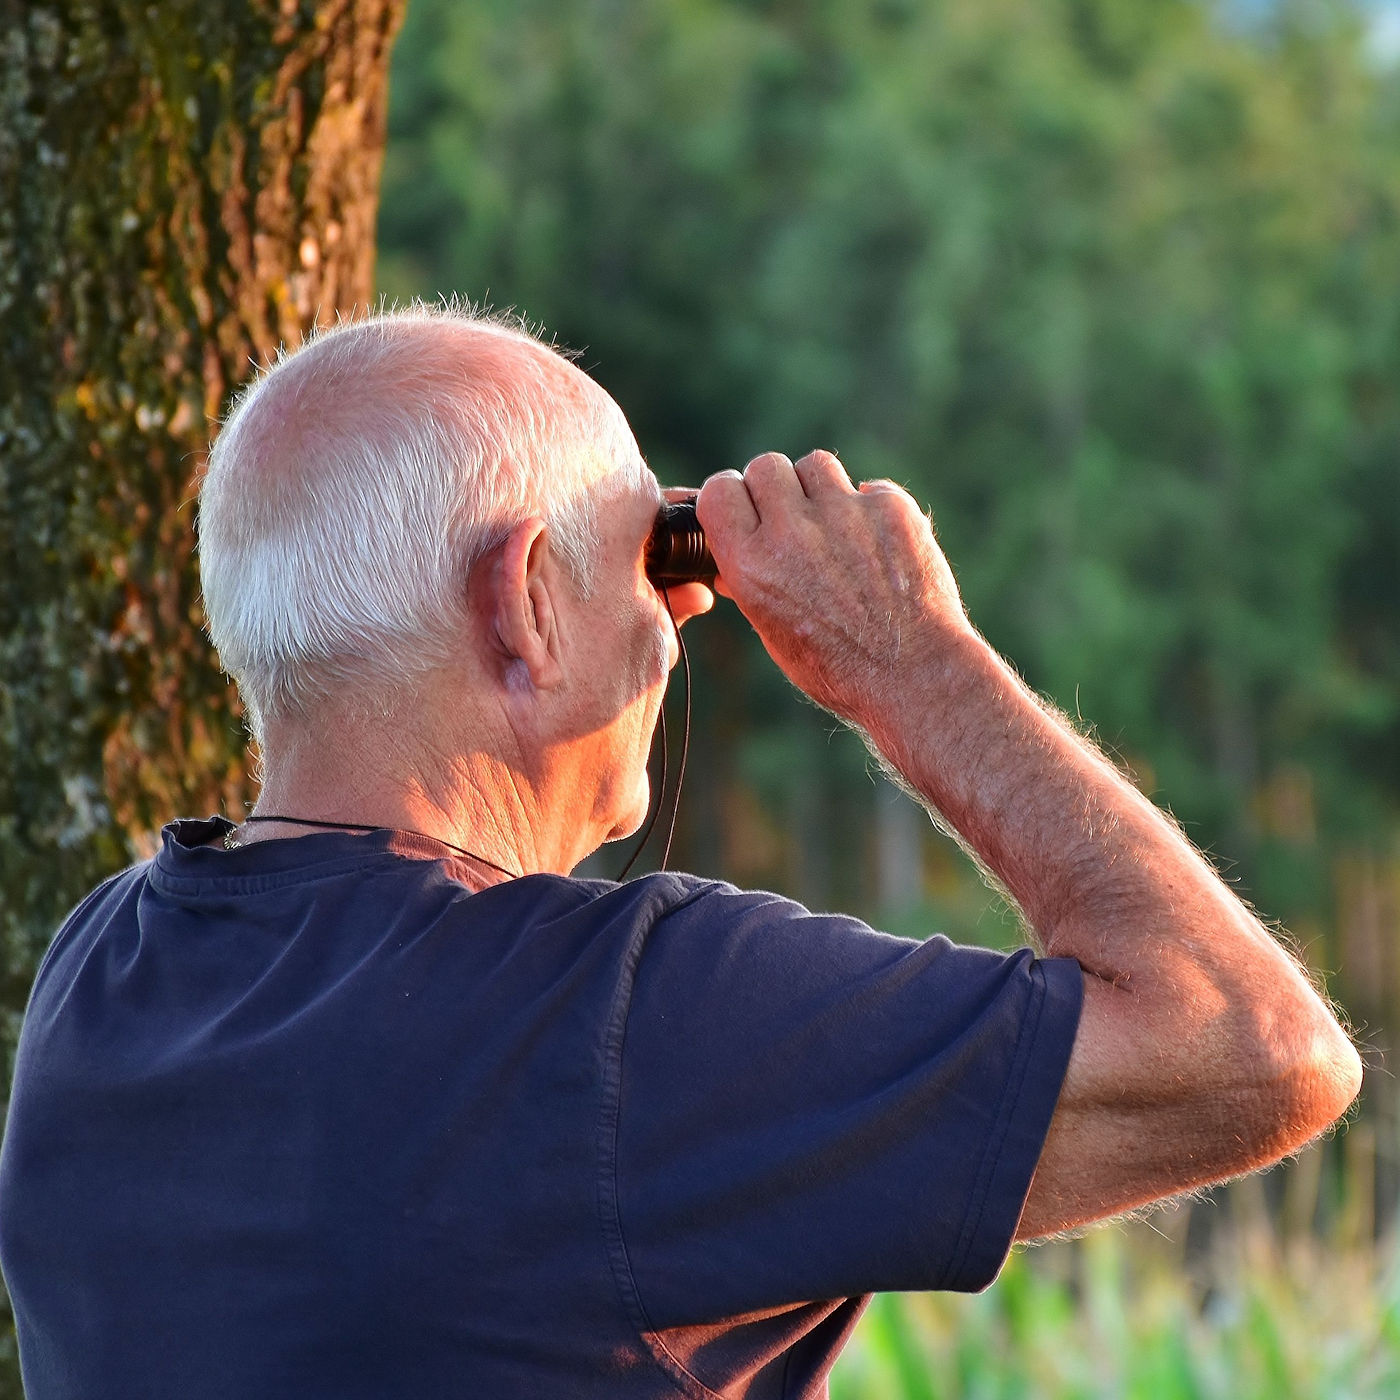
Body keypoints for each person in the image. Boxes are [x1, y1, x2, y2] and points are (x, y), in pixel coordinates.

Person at [0, 306, 1361, 1399]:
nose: (673, 629)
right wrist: (912, 661)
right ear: (526, 603)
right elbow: (1251, 1051)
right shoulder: (622, 1026)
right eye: (647, 565)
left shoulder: (100, 984)